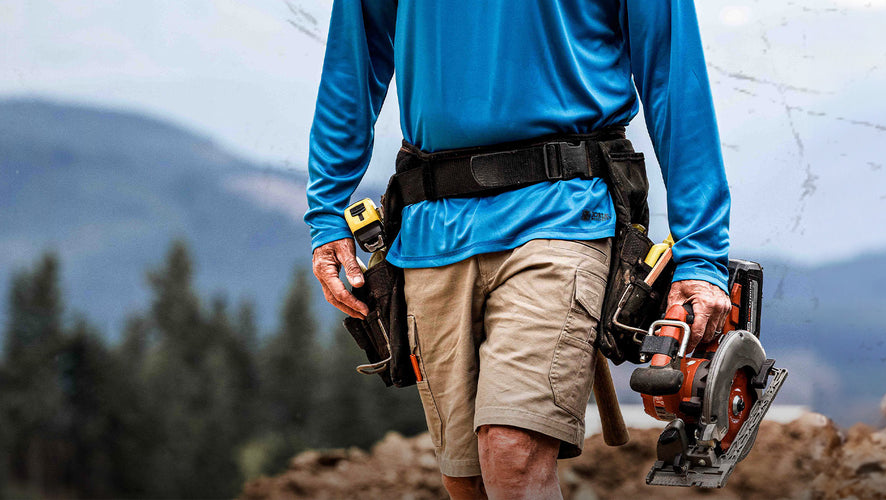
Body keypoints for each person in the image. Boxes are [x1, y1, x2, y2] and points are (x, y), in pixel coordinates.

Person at [303, 1, 735, 499]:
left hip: (563, 212)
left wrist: (702, 258)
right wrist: (326, 211)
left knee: (511, 452)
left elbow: (672, 77)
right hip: (430, 229)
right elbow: (352, 61)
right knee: (467, 480)